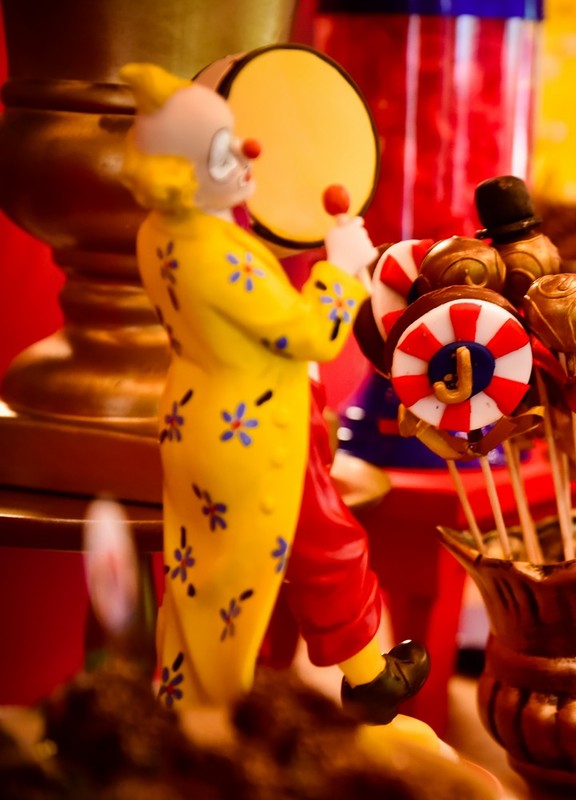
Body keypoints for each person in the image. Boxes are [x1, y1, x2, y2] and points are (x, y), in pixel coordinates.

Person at [120, 63, 429, 721]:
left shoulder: (162, 232)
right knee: (230, 591)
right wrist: (340, 267)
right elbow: (311, 333)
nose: (248, 152)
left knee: (206, 580)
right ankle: (208, 720)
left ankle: (348, 680)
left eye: (236, 138)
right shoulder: (213, 254)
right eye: (222, 151)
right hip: (254, 435)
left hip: (207, 418)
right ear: (178, 176)